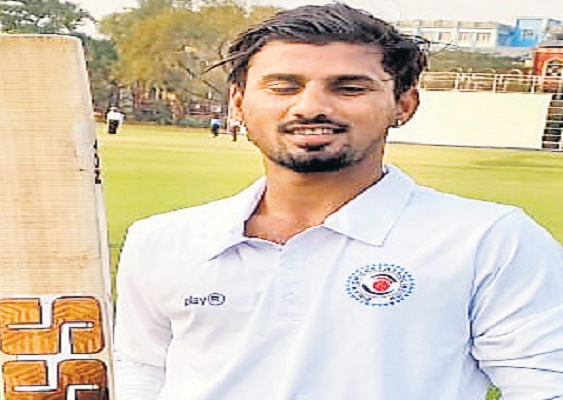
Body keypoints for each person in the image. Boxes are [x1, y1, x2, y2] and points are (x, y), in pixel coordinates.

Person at [113, 3, 563, 399]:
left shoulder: (489, 240)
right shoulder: (162, 239)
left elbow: (545, 385)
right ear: (238, 102)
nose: (310, 107)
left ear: (404, 105)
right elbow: (143, 369)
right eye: (283, 87)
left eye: (349, 88)